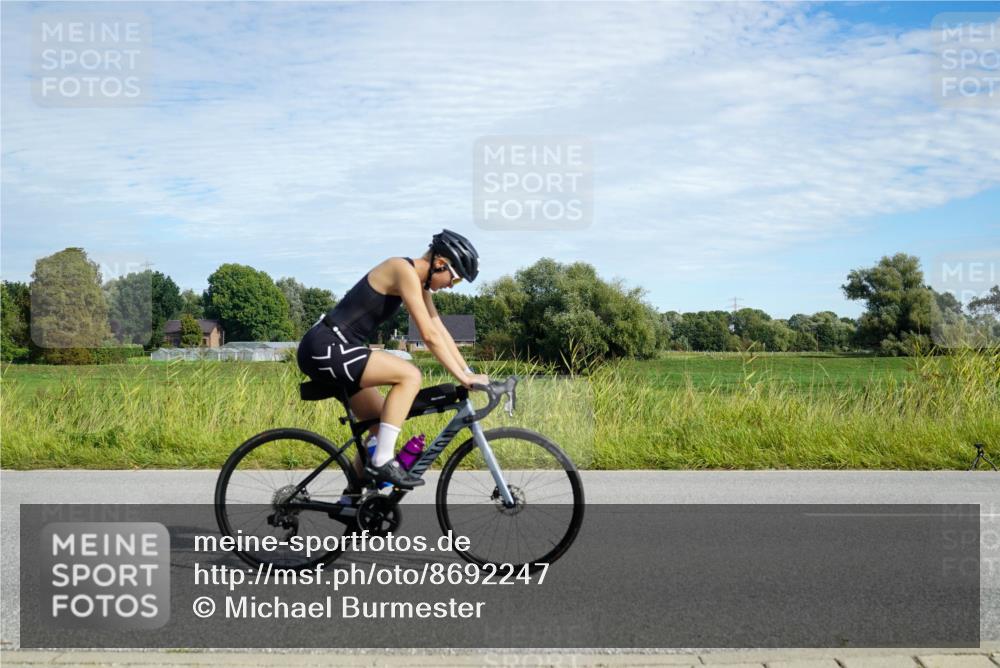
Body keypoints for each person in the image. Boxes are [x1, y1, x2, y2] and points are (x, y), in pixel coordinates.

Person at [296, 229, 489, 489]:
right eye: (453, 280)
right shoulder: (402, 269)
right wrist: (463, 378)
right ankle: (383, 462)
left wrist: (468, 371)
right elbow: (429, 336)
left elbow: (440, 330)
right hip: (325, 346)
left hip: (338, 349)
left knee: (377, 428)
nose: (450, 287)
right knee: (409, 375)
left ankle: (351, 504)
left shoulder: (419, 286)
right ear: (441, 264)